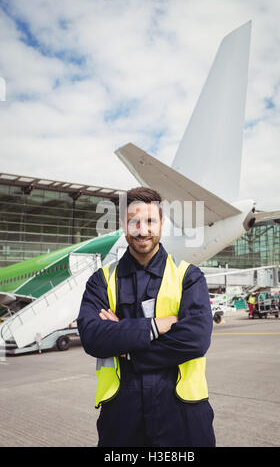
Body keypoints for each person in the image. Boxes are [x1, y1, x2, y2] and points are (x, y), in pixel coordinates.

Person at [77, 186, 215, 447]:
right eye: (134, 222)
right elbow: (92, 337)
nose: (142, 230)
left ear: (162, 223)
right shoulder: (101, 281)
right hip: (122, 421)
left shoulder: (189, 276)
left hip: (183, 417)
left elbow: (196, 339)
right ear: (123, 225)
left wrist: (127, 348)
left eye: (150, 220)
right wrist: (154, 327)